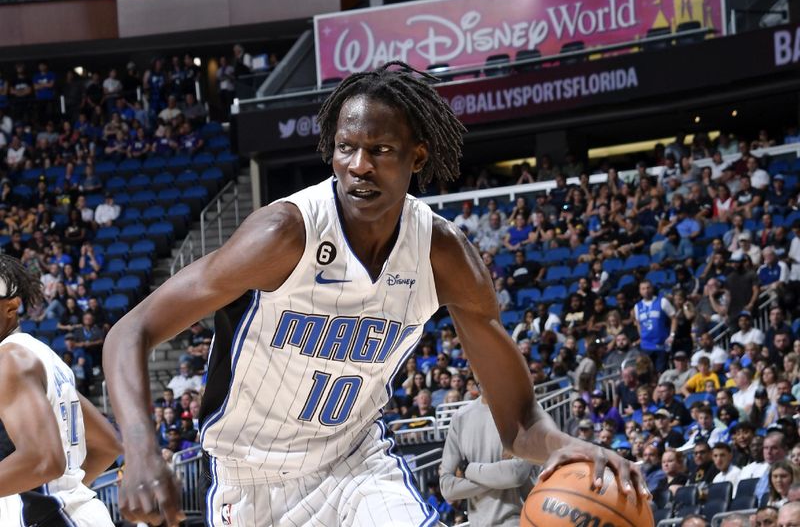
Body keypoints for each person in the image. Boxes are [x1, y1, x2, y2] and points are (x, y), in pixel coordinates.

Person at [103, 63, 648, 526]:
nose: (358, 166)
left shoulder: (443, 255)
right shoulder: (283, 234)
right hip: (251, 482)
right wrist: (141, 451)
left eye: (379, 149)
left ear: (417, 156)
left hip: (356, 467)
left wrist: (565, 445)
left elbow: (521, 419)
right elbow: (131, 330)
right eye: (346, 148)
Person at [0, 254, 121, 526]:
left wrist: (54, 497)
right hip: (73, 514)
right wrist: (64, 492)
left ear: (11, 306)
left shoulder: (10, 360)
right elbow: (107, 443)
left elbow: (42, 461)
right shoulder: (41, 355)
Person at [440, 394, 537, 526]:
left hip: (518, 521)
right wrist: (500, 477)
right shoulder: (460, 417)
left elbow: (516, 475)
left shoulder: (525, 411)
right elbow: (447, 488)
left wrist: (469, 470)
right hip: (476, 523)